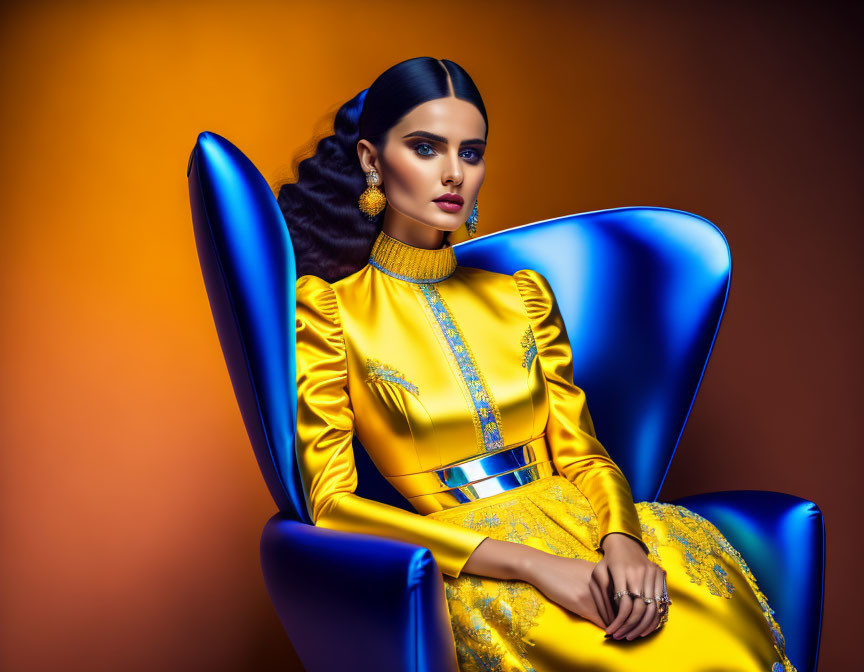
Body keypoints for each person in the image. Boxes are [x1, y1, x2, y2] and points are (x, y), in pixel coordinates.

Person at [277, 56, 796, 672]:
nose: (452, 174)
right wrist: (532, 565)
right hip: (477, 566)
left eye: (471, 153)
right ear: (371, 161)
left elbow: (581, 453)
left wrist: (625, 542)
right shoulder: (331, 313)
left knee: (722, 641)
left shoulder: (522, 296)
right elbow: (331, 506)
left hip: (595, 531)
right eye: (426, 148)